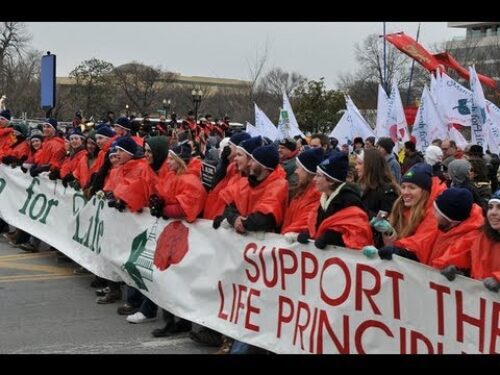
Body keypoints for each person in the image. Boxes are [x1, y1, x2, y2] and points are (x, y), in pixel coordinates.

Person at [296, 151, 372, 250]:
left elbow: (358, 233)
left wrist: (332, 237)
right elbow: (316, 223)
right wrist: (308, 234)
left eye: (318, 175)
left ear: (331, 181)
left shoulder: (350, 201)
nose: (314, 179)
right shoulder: (323, 198)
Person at [435, 190, 500, 293]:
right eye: (491, 207)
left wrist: (498, 279)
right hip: (479, 301)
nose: (493, 212)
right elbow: (464, 255)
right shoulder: (482, 236)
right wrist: (454, 266)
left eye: (499, 208)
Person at [281, 148, 324, 238]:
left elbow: (306, 222)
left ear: (308, 171)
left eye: (298, 167)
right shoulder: (301, 190)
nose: (295, 171)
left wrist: (284, 236)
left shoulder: (316, 195)